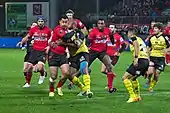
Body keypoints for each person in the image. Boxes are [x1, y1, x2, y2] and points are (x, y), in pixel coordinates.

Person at [48, 15, 86, 97]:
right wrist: (74, 31)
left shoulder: (67, 31)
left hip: (63, 55)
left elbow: (72, 42)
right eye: (63, 22)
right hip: (53, 55)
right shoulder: (58, 29)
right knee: (53, 77)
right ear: (59, 22)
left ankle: (59, 87)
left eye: (66, 22)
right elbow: (65, 37)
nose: (64, 24)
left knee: (66, 73)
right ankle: (51, 90)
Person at [56, 20, 93, 98]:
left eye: (69, 23)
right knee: (69, 74)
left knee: (83, 69)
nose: (67, 24)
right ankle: (83, 88)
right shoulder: (64, 34)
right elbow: (58, 41)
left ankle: (88, 90)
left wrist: (64, 43)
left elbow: (78, 45)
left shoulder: (78, 33)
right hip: (73, 56)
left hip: (82, 53)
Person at [20, 16, 51, 88]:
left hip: (43, 51)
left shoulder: (48, 30)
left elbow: (52, 38)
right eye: (39, 21)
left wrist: (49, 46)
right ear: (37, 22)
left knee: (39, 68)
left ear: (44, 22)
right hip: (34, 51)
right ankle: (27, 83)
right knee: (29, 67)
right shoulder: (33, 29)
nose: (40, 23)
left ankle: (42, 74)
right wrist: (23, 41)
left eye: (42, 21)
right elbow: (28, 36)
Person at [88, 18, 116, 93]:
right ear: (97, 25)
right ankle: (73, 81)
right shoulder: (93, 31)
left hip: (102, 52)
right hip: (93, 51)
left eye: (102, 23)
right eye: (99, 23)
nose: (100, 25)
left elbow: (111, 36)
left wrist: (113, 41)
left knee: (109, 66)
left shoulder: (107, 30)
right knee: (84, 67)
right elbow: (88, 41)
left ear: (104, 24)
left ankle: (110, 87)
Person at [122, 27, 149, 103]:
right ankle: (138, 96)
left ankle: (132, 96)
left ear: (131, 33)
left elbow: (136, 45)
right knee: (133, 78)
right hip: (145, 61)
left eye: (128, 33)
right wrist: (146, 68)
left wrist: (136, 58)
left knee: (125, 78)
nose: (127, 35)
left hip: (140, 60)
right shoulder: (140, 40)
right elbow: (146, 52)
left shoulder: (132, 37)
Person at [146, 22, 170, 93]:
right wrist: (147, 54)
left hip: (161, 58)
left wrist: (166, 50)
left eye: (156, 28)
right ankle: (149, 80)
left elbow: (169, 47)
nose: (154, 29)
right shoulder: (151, 37)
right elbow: (148, 47)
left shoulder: (165, 37)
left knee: (156, 74)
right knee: (150, 72)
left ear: (160, 29)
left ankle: (151, 87)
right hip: (152, 57)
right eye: (154, 28)